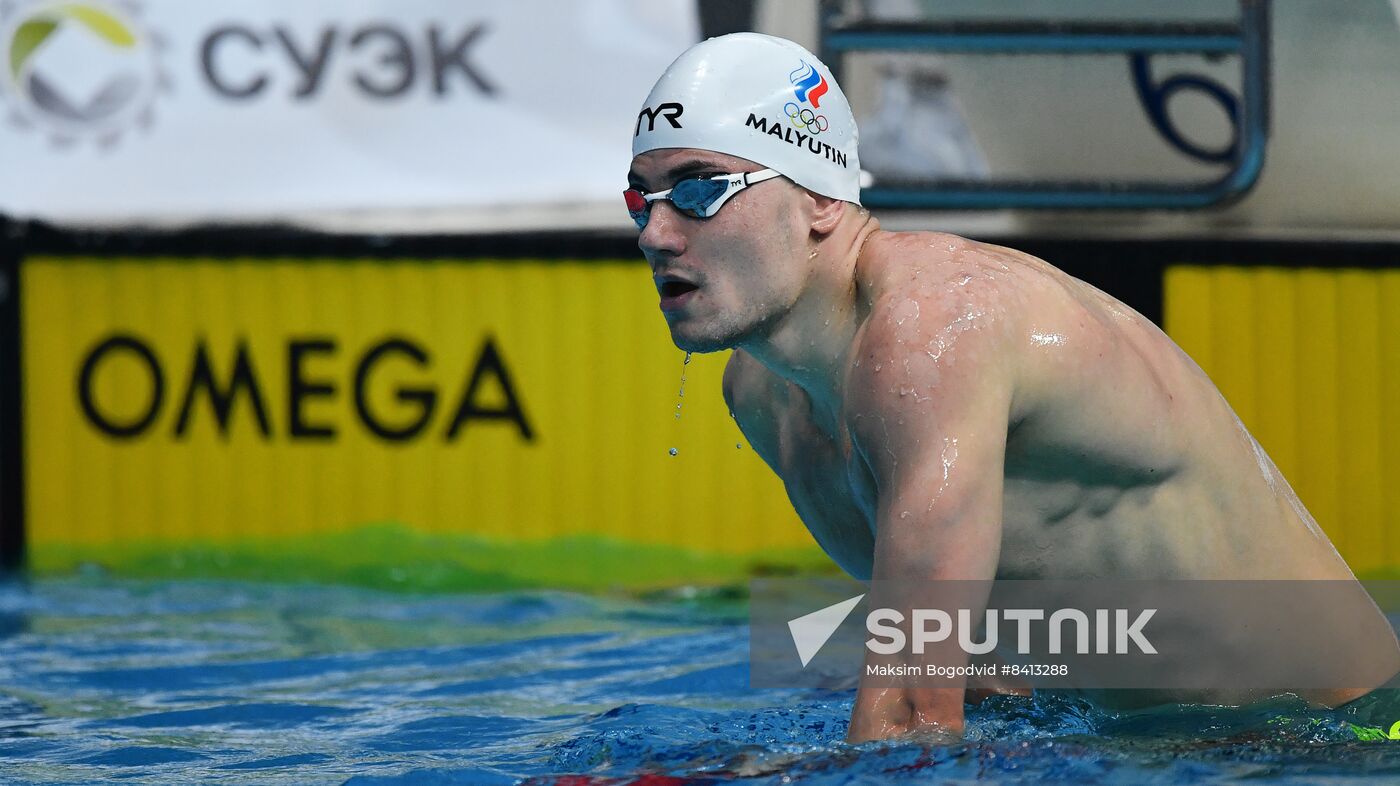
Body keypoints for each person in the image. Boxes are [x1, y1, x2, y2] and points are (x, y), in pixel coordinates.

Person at [625, 33, 1400, 743]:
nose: (657, 234)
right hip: (1160, 748)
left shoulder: (933, 333)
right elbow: (977, 673)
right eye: (643, 197)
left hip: (1349, 741)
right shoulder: (766, 395)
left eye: (701, 189)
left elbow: (910, 719)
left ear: (823, 199)